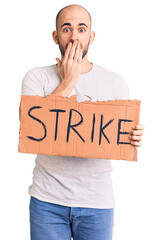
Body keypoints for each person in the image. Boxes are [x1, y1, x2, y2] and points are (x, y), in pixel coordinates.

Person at [20, 4, 144, 240]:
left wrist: (132, 137)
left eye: (81, 29)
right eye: (66, 29)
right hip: (47, 201)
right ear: (56, 36)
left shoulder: (115, 82)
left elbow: (115, 138)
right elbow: (33, 129)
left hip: (97, 203)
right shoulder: (36, 77)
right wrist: (68, 82)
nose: (74, 36)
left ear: (92, 36)